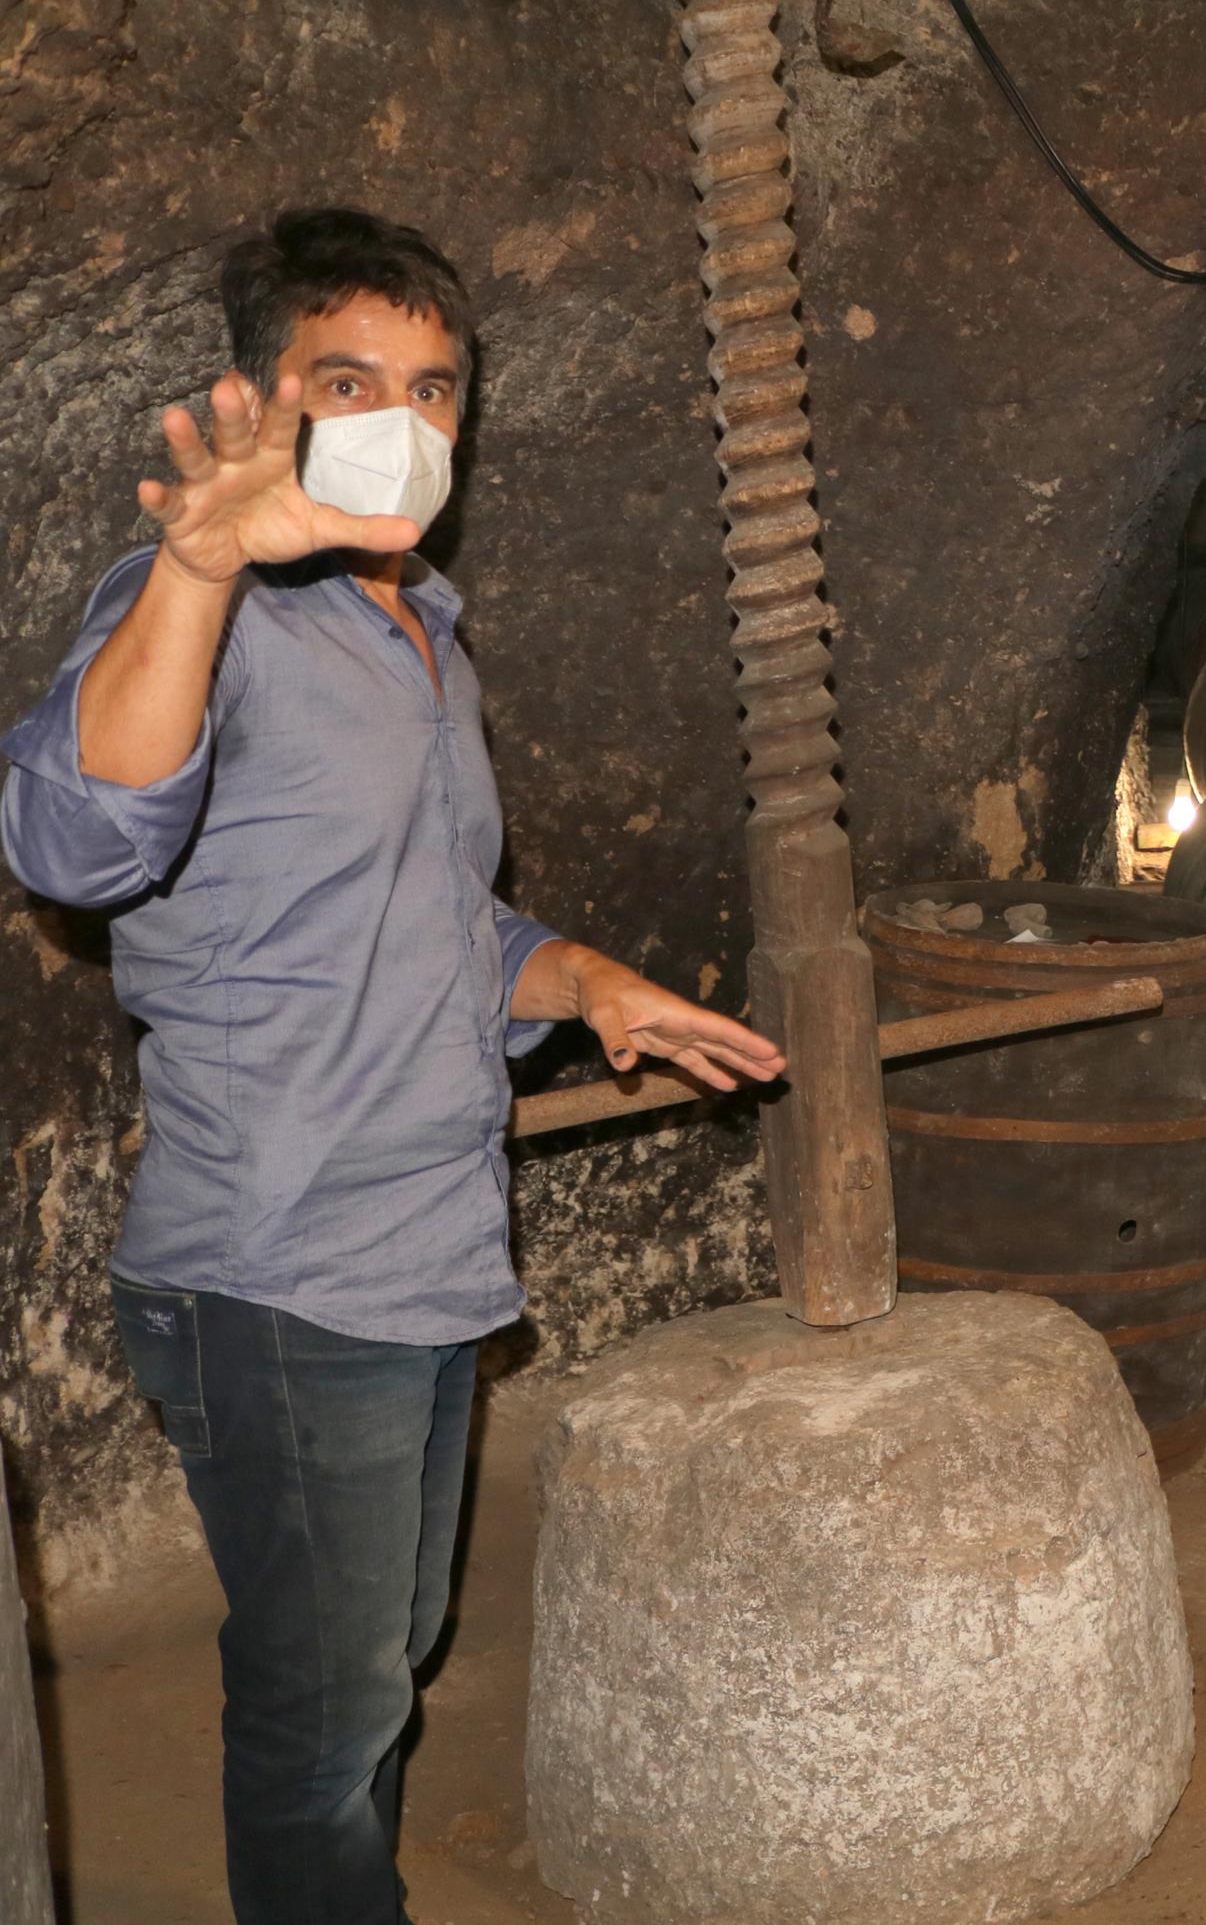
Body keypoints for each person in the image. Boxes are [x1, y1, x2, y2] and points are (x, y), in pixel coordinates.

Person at [0, 208, 785, 1925]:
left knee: (391, 1648)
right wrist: (201, 568)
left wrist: (584, 978)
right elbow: (71, 838)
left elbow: (440, 917)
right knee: (325, 1712)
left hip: (426, 1243)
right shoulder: (196, 609)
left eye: (436, 388)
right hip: (283, 1269)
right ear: (263, 400)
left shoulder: (422, 628)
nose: (403, 421)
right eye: (348, 380)